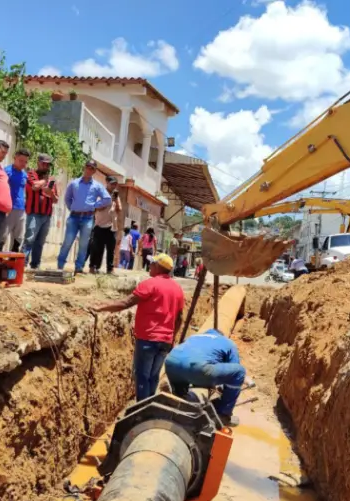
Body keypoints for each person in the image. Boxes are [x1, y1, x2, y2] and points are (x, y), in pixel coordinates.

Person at [94, 253, 185, 401]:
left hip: (148, 339)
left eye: (152, 264)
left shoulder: (150, 284)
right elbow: (180, 317)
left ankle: (142, 411)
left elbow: (126, 303)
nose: (149, 266)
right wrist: (172, 338)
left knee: (142, 376)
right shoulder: (177, 288)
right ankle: (149, 407)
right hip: (165, 341)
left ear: (158, 267)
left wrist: (102, 307)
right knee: (153, 377)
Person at [164, 329, 246, 427]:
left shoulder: (194, 337)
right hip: (199, 368)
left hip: (171, 363)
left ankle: (179, 399)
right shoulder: (227, 342)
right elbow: (233, 367)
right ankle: (223, 414)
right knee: (239, 372)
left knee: (182, 390)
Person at [58, 159, 111, 274]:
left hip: (87, 218)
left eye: (92, 168)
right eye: (88, 167)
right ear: (84, 167)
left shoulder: (97, 186)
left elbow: (107, 199)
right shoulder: (74, 183)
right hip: (74, 217)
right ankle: (60, 264)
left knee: (83, 244)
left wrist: (95, 205)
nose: (89, 169)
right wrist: (72, 207)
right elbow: (67, 198)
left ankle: (79, 267)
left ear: (94, 171)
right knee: (68, 241)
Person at [23, 153, 58, 269]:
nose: (46, 166)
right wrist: (45, 181)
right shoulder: (31, 174)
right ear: (38, 162)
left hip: (46, 216)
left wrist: (51, 193)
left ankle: (35, 265)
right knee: (29, 239)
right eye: (44, 164)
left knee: (40, 242)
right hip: (33, 213)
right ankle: (23, 264)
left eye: (48, 164)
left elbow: (56, 199)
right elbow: (34, 186)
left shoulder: (52, 180)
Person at [89, 176, 121, 274]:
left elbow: (119, 210)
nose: (113, 186)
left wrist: (115, 201)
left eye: (115, 184)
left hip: (111, 227)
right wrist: (107, 202)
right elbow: (96, 208)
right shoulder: (101, 194)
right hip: (99, 225)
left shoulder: (116, 197)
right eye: (112, 183)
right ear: (106, 183)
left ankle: (110, 269)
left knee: (111, 249)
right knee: (96, 248)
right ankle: (93, 267)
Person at [3, 149, 30, 252]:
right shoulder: (6, 171)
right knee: (3, 236)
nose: (23, 164)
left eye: (25, 161)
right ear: (14, 158)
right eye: (21, 160)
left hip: (21, 209)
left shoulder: (24, 174)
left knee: (18, 238)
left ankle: (11, 263)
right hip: (8, 209)